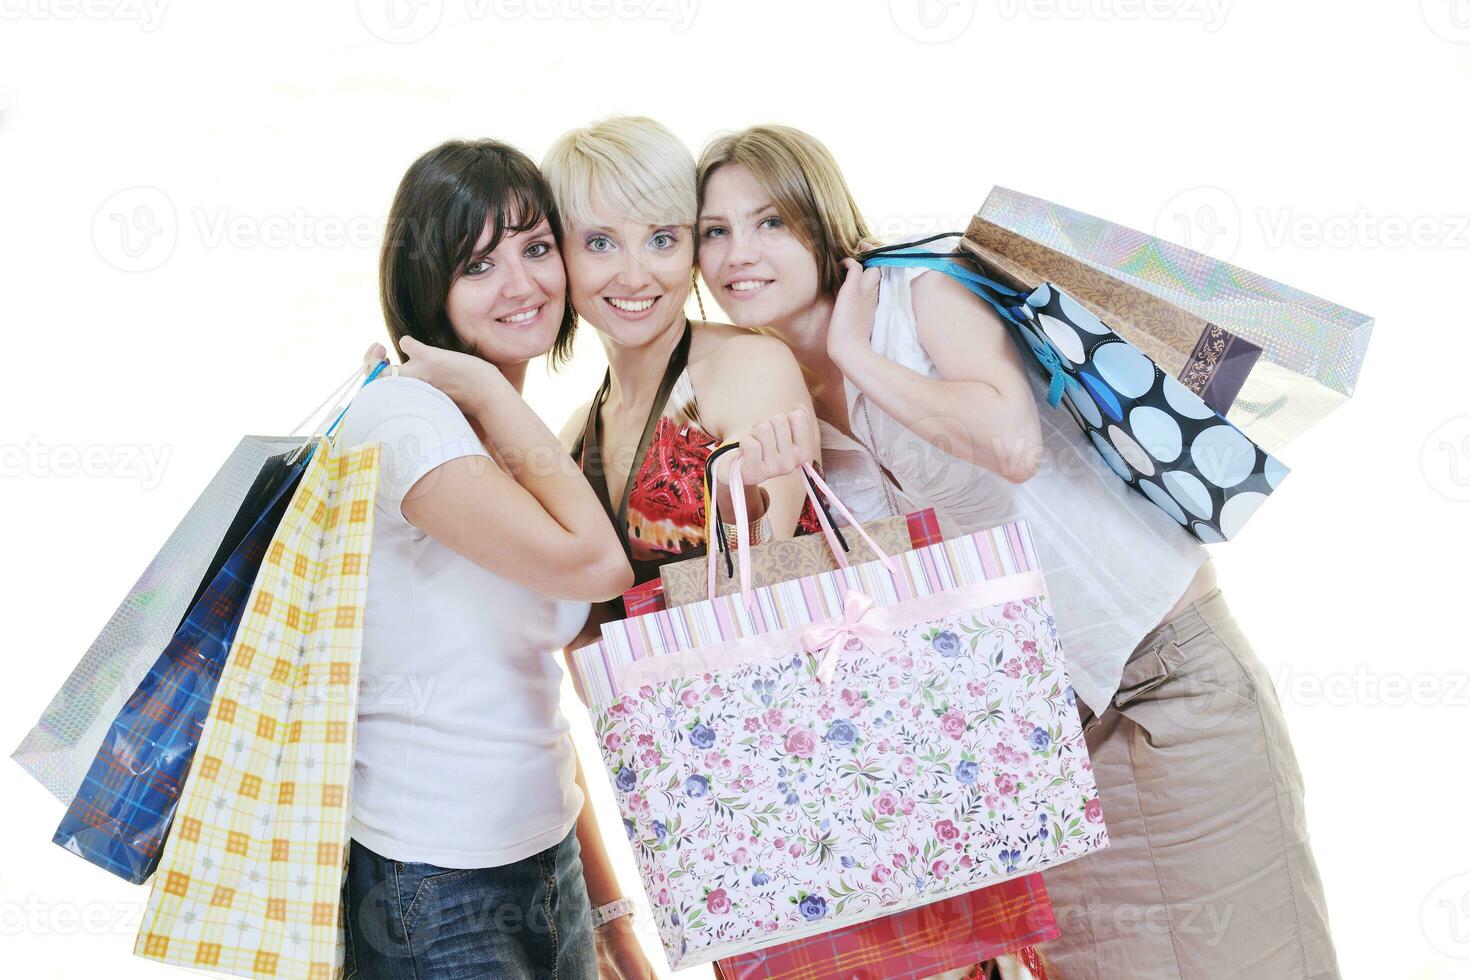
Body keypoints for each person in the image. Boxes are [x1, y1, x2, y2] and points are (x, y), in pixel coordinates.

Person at [695, 124, 1340, 979]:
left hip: (1167, 681)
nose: (740, 252)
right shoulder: (763, 389)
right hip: (1035, 739)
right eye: (714, 231)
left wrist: (854, 354)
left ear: (819, 219)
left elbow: (1010, 441)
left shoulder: (916, 294)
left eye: (769, 221)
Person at [339, 138, 651, 979]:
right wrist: (478, 389)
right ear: (426, 289)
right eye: (478, 264)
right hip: (430, 883)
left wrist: (615, 920)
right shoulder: (408, 420)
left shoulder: (513, 435)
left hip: (544, 861)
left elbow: (532, 699)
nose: (523, 284)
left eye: (537, 248)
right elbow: (601, 569)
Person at [539, 116, 824, 650]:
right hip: (668, 727)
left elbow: (768, 582)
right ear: (559, 254)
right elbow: (585, 638)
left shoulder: (746, 365)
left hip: (800, 710)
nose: (634, 274)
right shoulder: (576, 435)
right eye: (600, 243)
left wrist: (739, 495)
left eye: (662, 239)